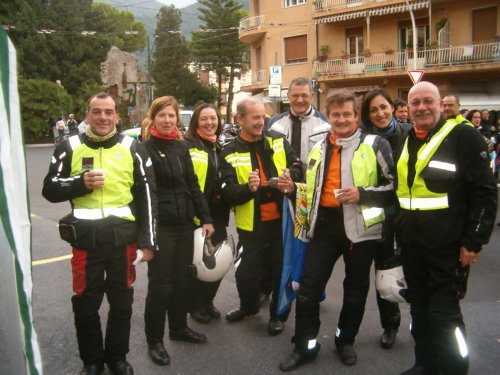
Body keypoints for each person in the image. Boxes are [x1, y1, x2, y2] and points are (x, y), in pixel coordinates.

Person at [279, 89, 395, 371]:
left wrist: (362, 193)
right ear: (328, 117)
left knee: (355, 292)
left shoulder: (375, 144)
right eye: (336, 115)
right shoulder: (319, 148)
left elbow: (395, 189)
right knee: (307, 290)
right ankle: (305, 347)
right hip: (325, 228)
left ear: (357, 116)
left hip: (361, 230)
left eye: (347, 114)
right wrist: (293, 189)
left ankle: (345, 341)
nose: (341, 120)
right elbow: (311, 191)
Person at [42, 92, 157, 375]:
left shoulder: (133, 148)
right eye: (97, 111)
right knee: (85, 303)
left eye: (109, 112)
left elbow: (147, 198)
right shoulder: (68, 147)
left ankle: (117, 357)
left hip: (123, 242)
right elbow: (49, 189)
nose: (103, 117)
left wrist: (149, 241)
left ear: (117, 116)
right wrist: (80, 183)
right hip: (85, 242)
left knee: (122, 302)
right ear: (86, 115)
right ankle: (92, 361)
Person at [395, 82, 497, 375]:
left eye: (428, 101)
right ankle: (425, 364)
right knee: (420, 311)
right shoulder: (407, 138)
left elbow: (485, 192)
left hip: (448, 247)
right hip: (413, 246)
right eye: (415, 103)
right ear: (409, 108)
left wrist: (474, 241)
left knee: (445, 318)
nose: (422, 107)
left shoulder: (464, 136)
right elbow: (401, 193)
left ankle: (454, 369)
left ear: (441, 104)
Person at [141, 96, 214, 367]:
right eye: (163, 115)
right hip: (162, 228)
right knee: (161, 286)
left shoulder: (181, 147)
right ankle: (155, 341)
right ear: (154, 118)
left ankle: (179, 328)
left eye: (172, 116)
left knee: (183, 281)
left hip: (186, 225)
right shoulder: (144, 149)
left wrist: (205, 217)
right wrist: (148, 235)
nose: (168, 120)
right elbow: (144, 195)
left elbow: (193, 185)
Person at [220, 97, 302, 336]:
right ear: (240, 120)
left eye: (263, 116)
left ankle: (278, 316)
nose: (261, 121)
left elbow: (299, 166)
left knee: (280, 271)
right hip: (251, 225)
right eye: (255, 117)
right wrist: (248, 188)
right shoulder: (229, 151)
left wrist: (289, 176)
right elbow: (227, 193)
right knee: (245, 273)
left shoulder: (277, 140)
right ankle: (249, 307)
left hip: (281, 222)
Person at [360, 88, 413, 350]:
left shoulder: (410, 133)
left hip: (410, 215)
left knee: (414, 268)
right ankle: (390, 325)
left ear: (392, 107)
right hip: (378, 216)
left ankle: (421, 320)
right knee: (385, 272)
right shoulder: (363, 139)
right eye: (373, 110)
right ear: (367, 115)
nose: (380, 113)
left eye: (384, 107)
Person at [183, 103, 230, 324]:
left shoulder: (217, 147)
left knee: (217, 261)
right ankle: (195, 304)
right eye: (204, 119)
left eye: (213, 118)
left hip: (217, 214)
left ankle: (208, 300)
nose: (210, 123)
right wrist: (202, 217)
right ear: (195, 122)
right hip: (198, 216)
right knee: (199, 263)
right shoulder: (189, 146)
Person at [268, 77, 330, 165]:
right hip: (282, 177)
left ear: (312, 96)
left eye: (304, 95)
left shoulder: (327, 124)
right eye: (295, 95)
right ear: (288, 96)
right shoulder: (274, 124)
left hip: (313, 178)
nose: (300, 100)